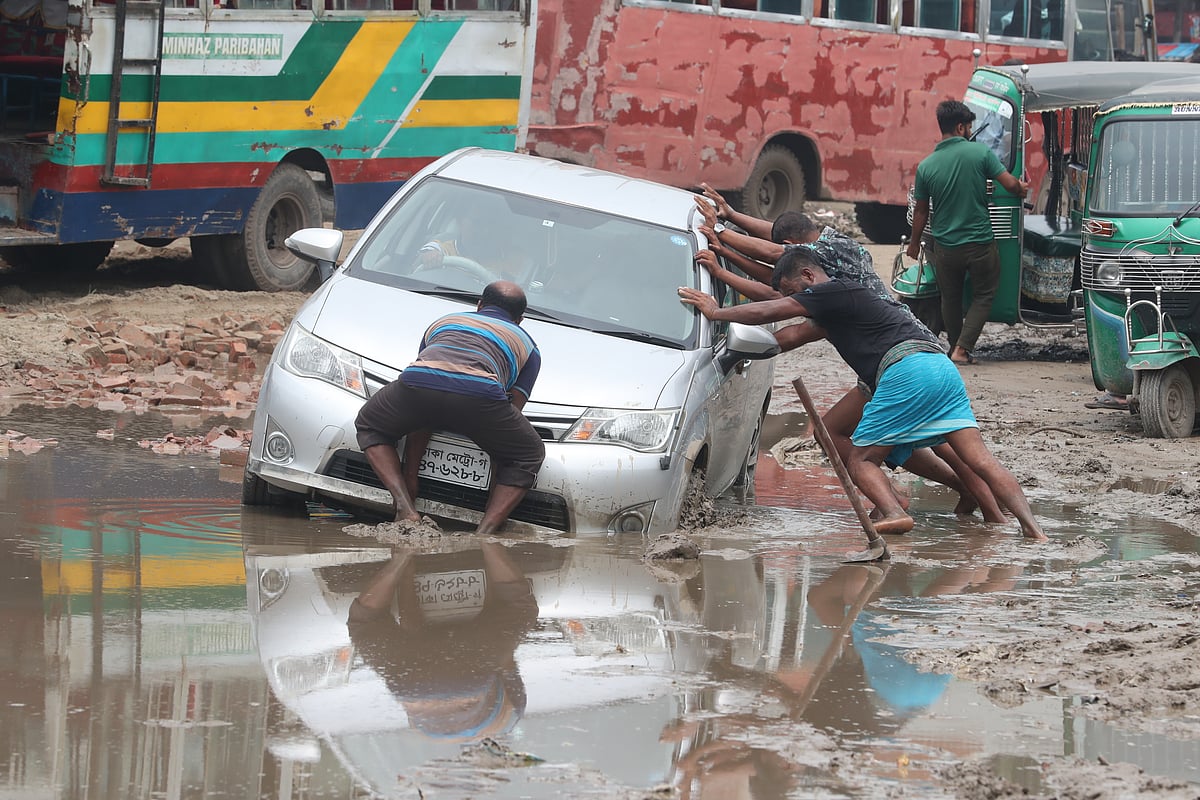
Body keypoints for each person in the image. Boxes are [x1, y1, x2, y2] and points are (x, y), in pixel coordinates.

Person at [678, 247, 1047, 540]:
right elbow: (790, 335)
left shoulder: (831, 291)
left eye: (795, 292)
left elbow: (775, 308)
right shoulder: (839, 304)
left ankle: (894, 512)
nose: (797, 302)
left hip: (905, 370)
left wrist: (718, 313)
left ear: (808, 276)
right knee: (982, 460)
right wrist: (740, 346)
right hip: (940, 367)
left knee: (861, 460)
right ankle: (1033, 531)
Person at [693, 196, 1006, 523]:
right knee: (911, 440)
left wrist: (723, 234)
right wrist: (728, 236)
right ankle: (979, 511)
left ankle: (981, 510)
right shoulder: (828, 276)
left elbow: (775, 280)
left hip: (902, 359)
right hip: (897, 357)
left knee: (942, 443)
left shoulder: (831, 254)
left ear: (800, 259)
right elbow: (784, 307)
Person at [355, 281, 544, 536]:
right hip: (480, 395)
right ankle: (485, 533)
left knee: (370, 424)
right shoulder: (529, 348)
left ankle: (404, 506)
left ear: (479, 306)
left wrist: (412, 474)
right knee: (528, 454)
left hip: (419, 383)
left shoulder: (443, 322)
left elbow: (431, 379)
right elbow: (513, 412)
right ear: (520, 319)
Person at [907, 99, 1030, 366]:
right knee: (985, 293)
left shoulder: (927, 166)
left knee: (950, 297)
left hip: (945, 246)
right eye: (970, 126)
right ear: (961, 127)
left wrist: (914, 243)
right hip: (980, 244)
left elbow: (921, 211)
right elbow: (1010, 185)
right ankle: (963, 349)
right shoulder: (980, 153)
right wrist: (1022, 188)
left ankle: (954, 347)